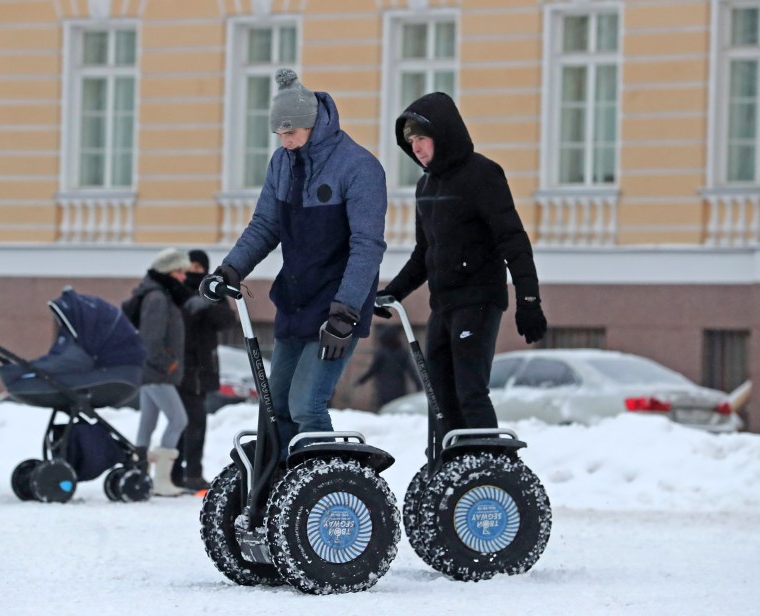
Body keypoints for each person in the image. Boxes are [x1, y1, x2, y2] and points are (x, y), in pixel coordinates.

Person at [200, 68, 387, 457]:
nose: (285, 141)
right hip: (296, 299)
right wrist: (230, 270)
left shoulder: (358, 167)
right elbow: (266, 224)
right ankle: (280, 492)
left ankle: (324, 489)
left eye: (292, 132)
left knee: (306, 404)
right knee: (275, 408)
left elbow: (367, 245)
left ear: (312, 124)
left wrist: (346, 313)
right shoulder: (282, 162)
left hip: (336, 306)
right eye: (280, 134)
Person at [377, 91, 547, 432]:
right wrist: (391, 292)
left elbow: (512, 240)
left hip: (479, 301)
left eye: (423, 139)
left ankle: (488, 470)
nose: (418, 149)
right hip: (443, 305)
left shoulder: (482, 175)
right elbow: (424, 254)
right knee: (439, 398)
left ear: (444, 135)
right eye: (412, 143)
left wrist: (528, 301)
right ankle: (446, 471)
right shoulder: (425, 186)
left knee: (470, 391)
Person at [173, 249, 236, 491]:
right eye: (191, 267)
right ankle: (182, 473)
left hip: (201, 368)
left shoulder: (212, 291)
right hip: (179, 368)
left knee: (193, 422)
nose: (194, 272)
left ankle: (188, 473)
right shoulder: (176, 290)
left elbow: (227, 321)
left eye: (199, 268)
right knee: (184, 422)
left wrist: (207, 305)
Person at [133, 247, 192, 496]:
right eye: (180, 271)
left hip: (152, 371)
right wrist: (169, 363)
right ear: (169, 271)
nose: (184, 277)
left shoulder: (161, 295)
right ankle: (161, 479)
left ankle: (137, 473)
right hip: (157, 372)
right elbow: (151, 339)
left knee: (147, 422)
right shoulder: (158, 298)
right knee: (179, 420)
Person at [355, 326, 422, 410]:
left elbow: (373, 370)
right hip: (399, 388)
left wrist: (361, 380)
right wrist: (418, 384)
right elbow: (411, 370)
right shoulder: (402, 352)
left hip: (384, 388)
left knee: (385, 410)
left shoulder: (382, 352)